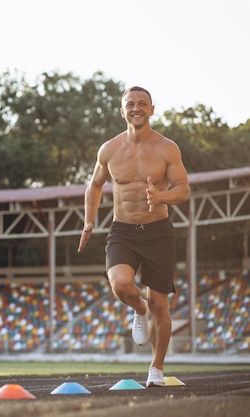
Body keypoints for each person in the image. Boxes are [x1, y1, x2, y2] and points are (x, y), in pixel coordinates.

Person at [77, 86, 190, 387]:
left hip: (158, 232)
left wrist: (162, 196)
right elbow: (95, 185)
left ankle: (156, 368)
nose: (136, 108)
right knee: (121, 284)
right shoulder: (109, 149)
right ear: (122, 110)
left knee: (160, 306)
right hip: (123, 231)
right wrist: (89, 221)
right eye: (130, 104)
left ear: (152, 109)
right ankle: (138, 310)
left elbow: (184, 189)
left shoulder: (168, 148)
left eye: (142, 104)